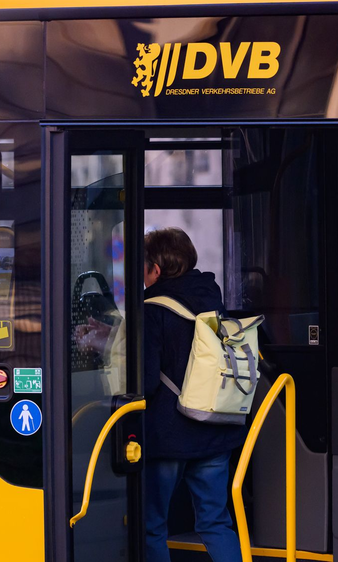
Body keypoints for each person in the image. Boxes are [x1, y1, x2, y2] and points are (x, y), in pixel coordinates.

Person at [143, 227, 246, 562]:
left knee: (152, 526)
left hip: (168, 437)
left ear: (156, 269)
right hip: (217, 427)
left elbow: (145, 381)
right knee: (216, 523)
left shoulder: (152, 309)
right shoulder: (212, 300)